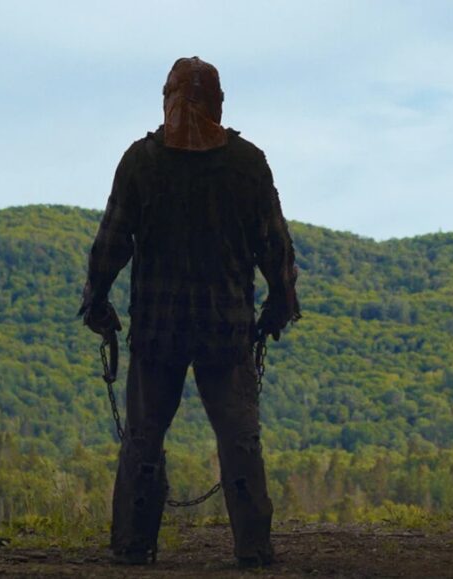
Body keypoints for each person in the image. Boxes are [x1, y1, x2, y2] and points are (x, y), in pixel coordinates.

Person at [78, 56, 300, 567]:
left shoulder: (141, 162)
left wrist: (96, 302)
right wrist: (281, 304)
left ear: (167, 99)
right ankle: (253, 548)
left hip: (157, 332)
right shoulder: (246, 164)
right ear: (219, 103)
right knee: (239, 440)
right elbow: (274, 246)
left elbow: (110, 241)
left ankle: (134, 545)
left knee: (143, 439)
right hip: (226, 330)